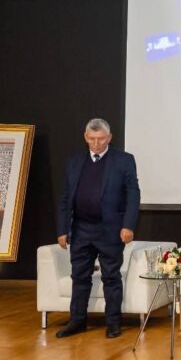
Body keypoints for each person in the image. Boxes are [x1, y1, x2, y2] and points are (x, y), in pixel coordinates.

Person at [55, 118, 140, 339]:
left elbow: (133, 195)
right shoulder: (74, 161)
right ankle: (77, 321)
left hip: (110, 229)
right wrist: (62, 229)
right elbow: (65, 197)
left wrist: (128, 225)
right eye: (92, 139)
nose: (96, 143)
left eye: (101, 139)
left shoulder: (124, 160)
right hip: (81, 228)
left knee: (111, 276)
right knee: (79, 276)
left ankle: (113, 323)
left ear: (109, 138)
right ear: (85, 137)